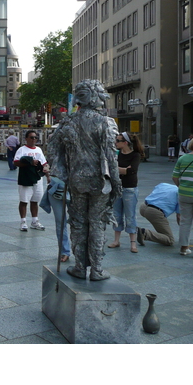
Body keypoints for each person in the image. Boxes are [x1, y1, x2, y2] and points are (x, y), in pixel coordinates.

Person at [47, 79, 122, 281]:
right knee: (97, 223)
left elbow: (53, 151)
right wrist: (116, 182)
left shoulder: (67, 122)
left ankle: (80, 267)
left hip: (77, 180)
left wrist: (61, 174)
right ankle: (97, 269)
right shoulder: (106, 123)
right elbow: (110, 156)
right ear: (96, 97)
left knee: (78, 223)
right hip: (100, 181)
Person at [108, 131, 144, 252]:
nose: (115, 142)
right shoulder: (116, 154)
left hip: (130, 188)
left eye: (118, 141)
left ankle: (133, 243)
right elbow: (111, 168)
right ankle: (116, 241)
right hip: (117, 187)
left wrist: (118, 169)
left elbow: (132, 171)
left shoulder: (135, 155)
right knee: (116, 215)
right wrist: (123, 169)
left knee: (130, 216)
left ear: (125, 143)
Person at [14, 130, 49, 231]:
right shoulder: (22, 150)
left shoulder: (38, 149)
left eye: (35, 137)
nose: (34, 139)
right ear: (26, 138)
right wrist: (29, 162)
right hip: (26, 178)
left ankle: (35, 221)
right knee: (24, 200)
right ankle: (23, 222)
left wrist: (48, 175)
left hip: (37, 178)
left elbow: (44, 163)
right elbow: (16, 162)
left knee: (35, 200)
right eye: (32, 137)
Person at [39, 176, 72, 262]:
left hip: (76, 188)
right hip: (56, 187)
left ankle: (80, 252)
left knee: (78, 222)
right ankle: (64, 251)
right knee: (60, 222)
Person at [137, 183, 179, 247]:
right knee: (170, 240)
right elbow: (179, 216)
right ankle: (145, 233)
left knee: (161, 226)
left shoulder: (164, 184)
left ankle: (157, 234)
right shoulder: (181, 195)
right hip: (155, 212)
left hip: (143, 206)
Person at [172, 137, 193, 255]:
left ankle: (184, 248)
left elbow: (175, 176)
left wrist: (180, 186)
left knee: (185, 221)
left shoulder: (183, 158)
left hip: (184, 193)